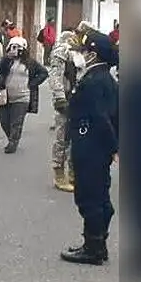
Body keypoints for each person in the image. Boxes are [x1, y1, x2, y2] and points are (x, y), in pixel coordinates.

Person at [59, 30, 119, 265]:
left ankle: (93, 248)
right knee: (99, 194)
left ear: (93, 54)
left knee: (89, 196)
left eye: (83, 51)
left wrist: (113, 147)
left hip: (91, 145)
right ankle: (97, 244)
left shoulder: (95, 80)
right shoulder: (103, 77)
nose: (79, 54)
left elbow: (101, 117)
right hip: (97, 145)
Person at [0, 37, 48, 154]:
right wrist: (7, 57)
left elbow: (44, 73)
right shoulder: (7, 61)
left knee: (16, 122)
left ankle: (13, 142)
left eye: (18, 47)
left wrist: (32, 84)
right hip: (4, 96)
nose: (15, 50)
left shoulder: (30, 63)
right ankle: (11, 138)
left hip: (22, 97)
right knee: (4, 121)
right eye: (12, 47)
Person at [48, 29, 79, 191]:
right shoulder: (62, 52)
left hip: (77, 98)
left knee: (75, 138)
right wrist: (60, 98)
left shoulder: (78, 52)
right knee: (63, 138)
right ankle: (59, 175)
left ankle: (73, 173)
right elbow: (55, 76)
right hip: (66, 99)